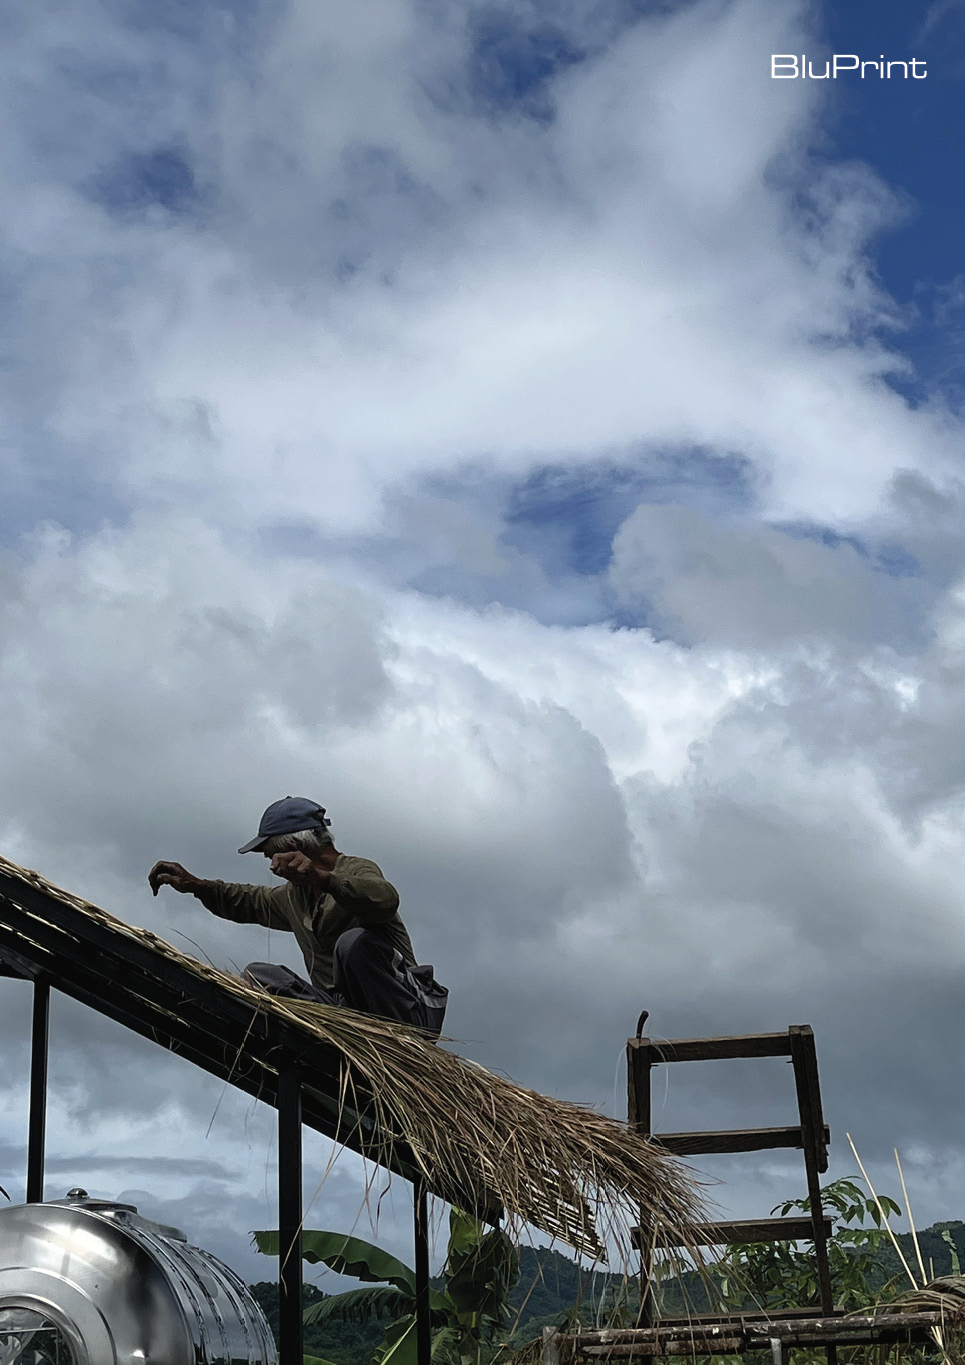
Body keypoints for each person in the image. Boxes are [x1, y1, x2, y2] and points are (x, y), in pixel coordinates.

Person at [148, 796, 448, 1036]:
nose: (269, 864)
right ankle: (340, 1031)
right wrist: (197, 886)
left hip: (404, 1009)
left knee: (353, 944)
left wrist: (324, 879)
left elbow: (384, 899)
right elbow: (248, 900)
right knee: (260, 975)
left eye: (269, 854)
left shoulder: (356, 870)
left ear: (292, 847)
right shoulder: (294, 896)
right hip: (349, 1017)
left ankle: (385, 1033)